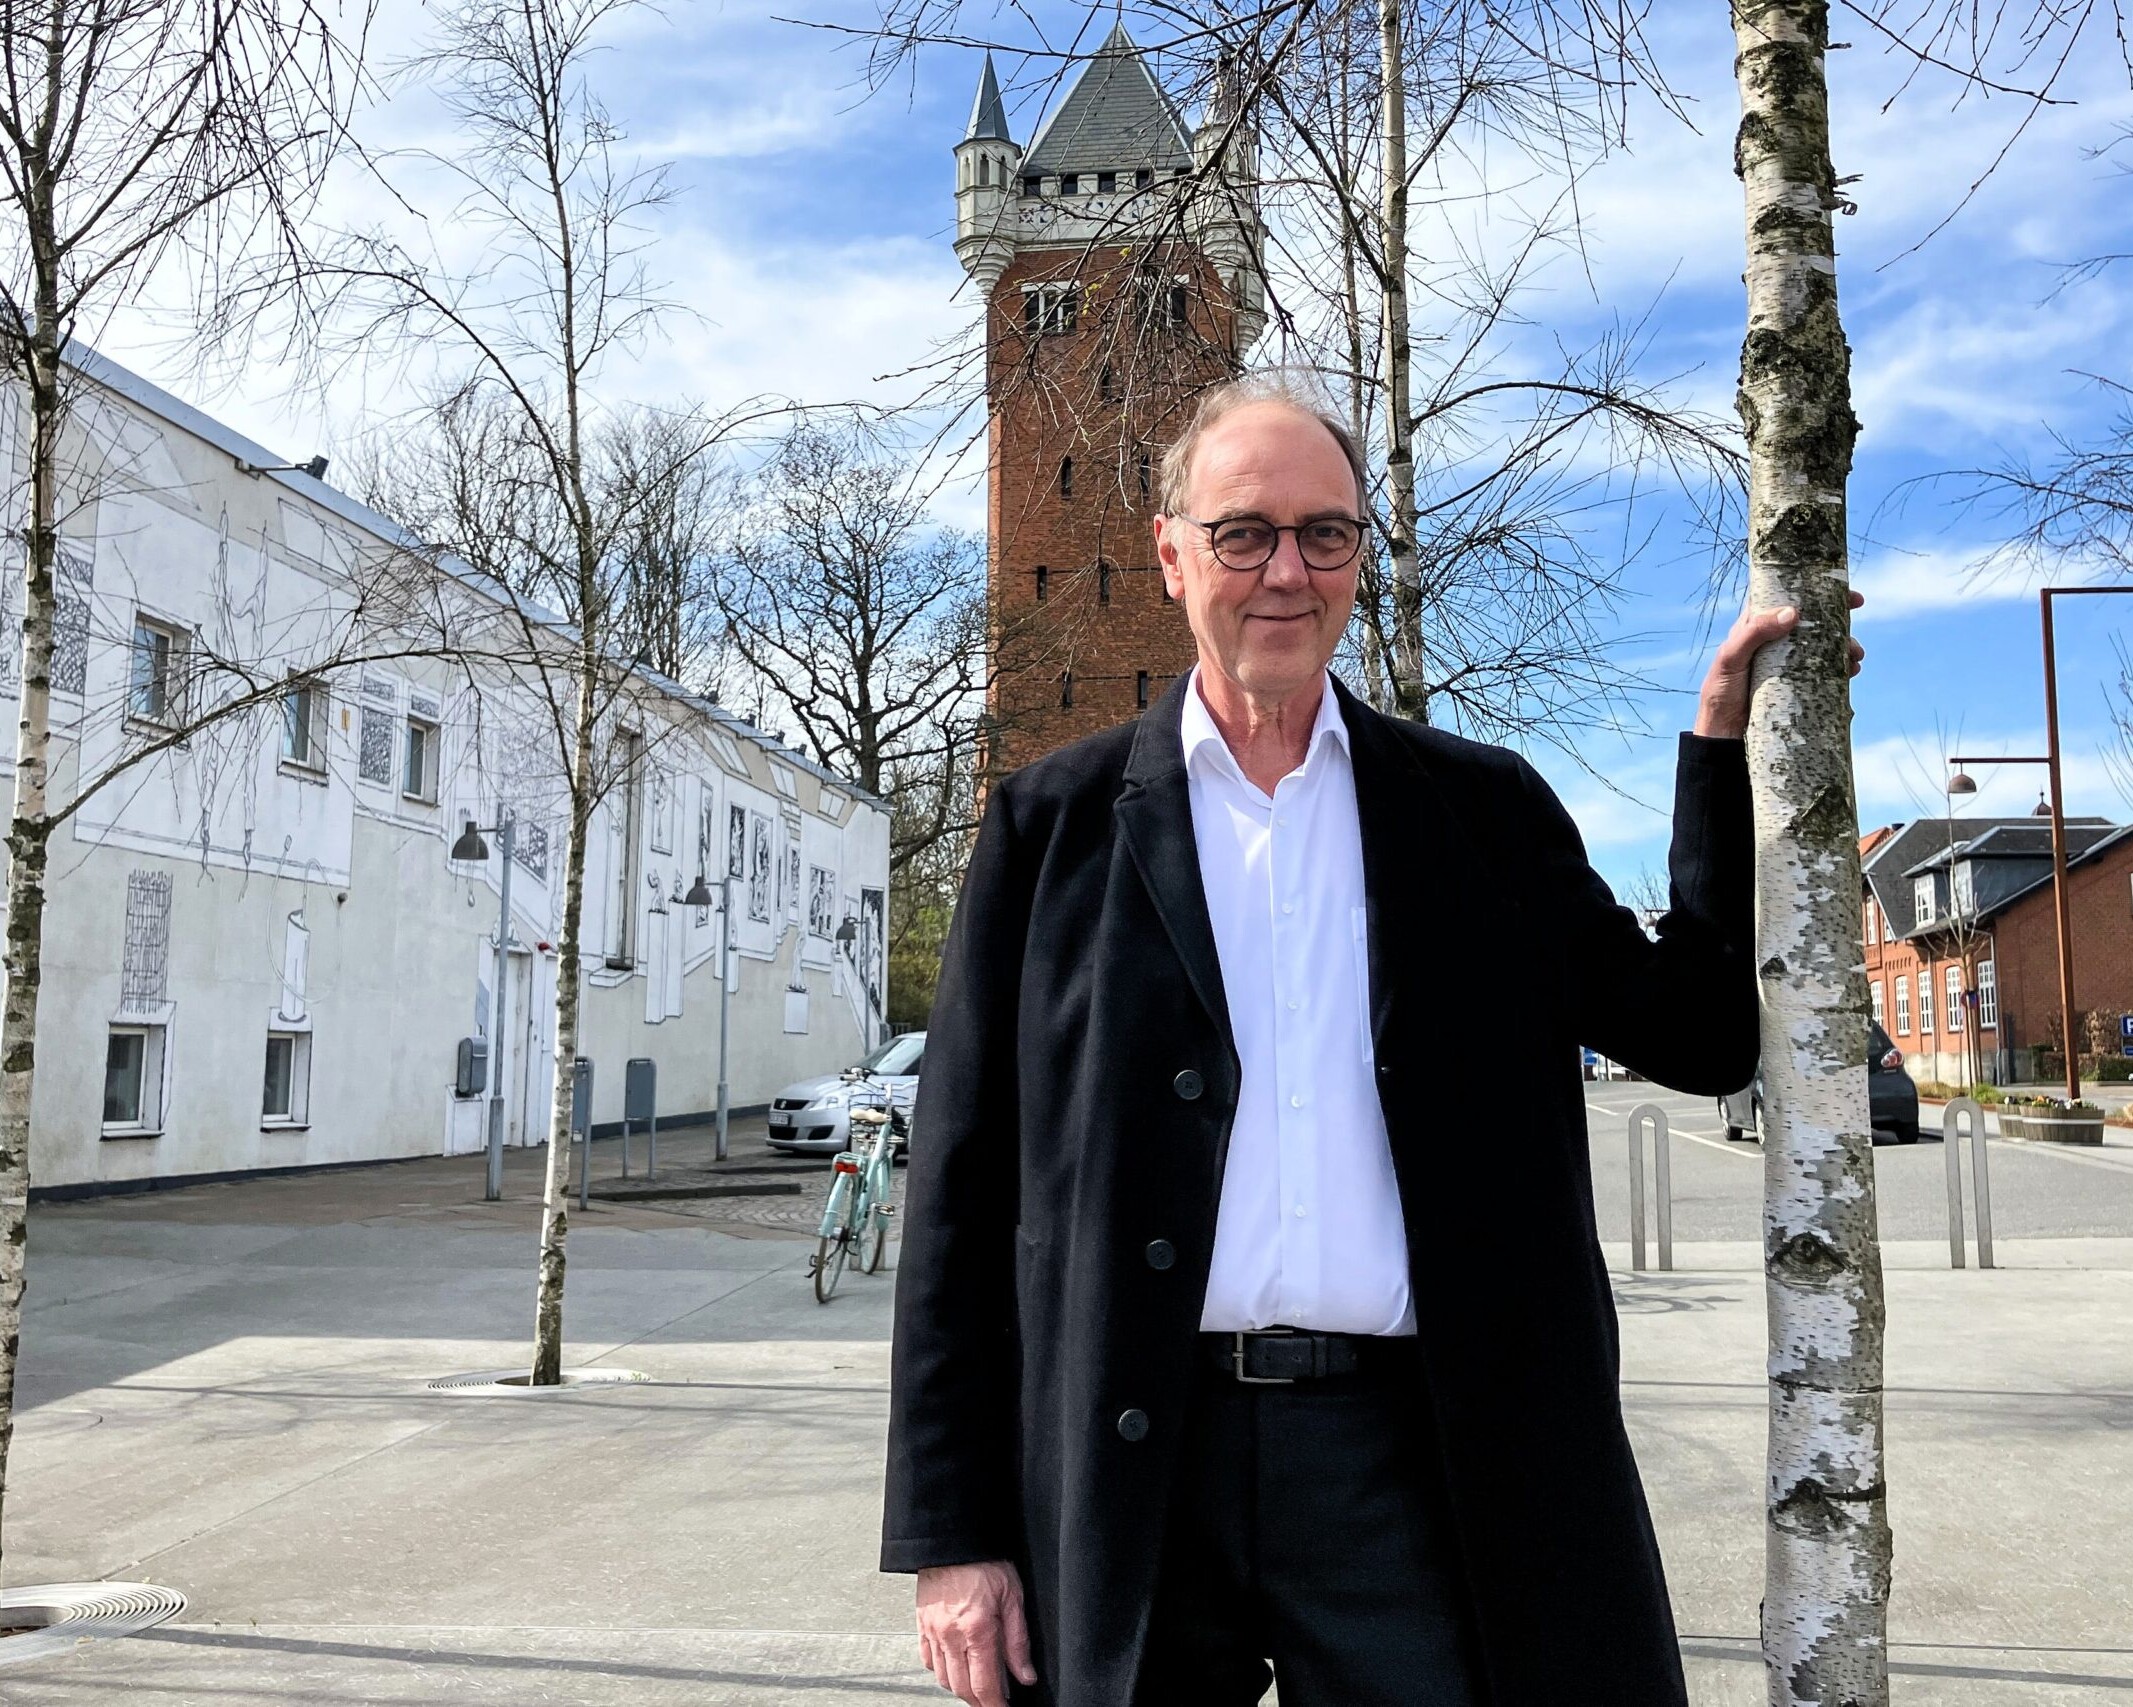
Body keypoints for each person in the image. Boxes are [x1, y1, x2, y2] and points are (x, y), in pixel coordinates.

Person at [882, 374, 1865, 1707]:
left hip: (1419, 1467)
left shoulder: (1478, 812)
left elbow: (1691, 1037)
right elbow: (958, 1194)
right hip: (1129, 1472)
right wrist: (954, 1539)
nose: (1285, 571)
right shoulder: (1050, 828)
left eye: (1324, 533)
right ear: (1170, 554)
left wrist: (1715, 751)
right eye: (1243, 533)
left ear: (1357, 556)